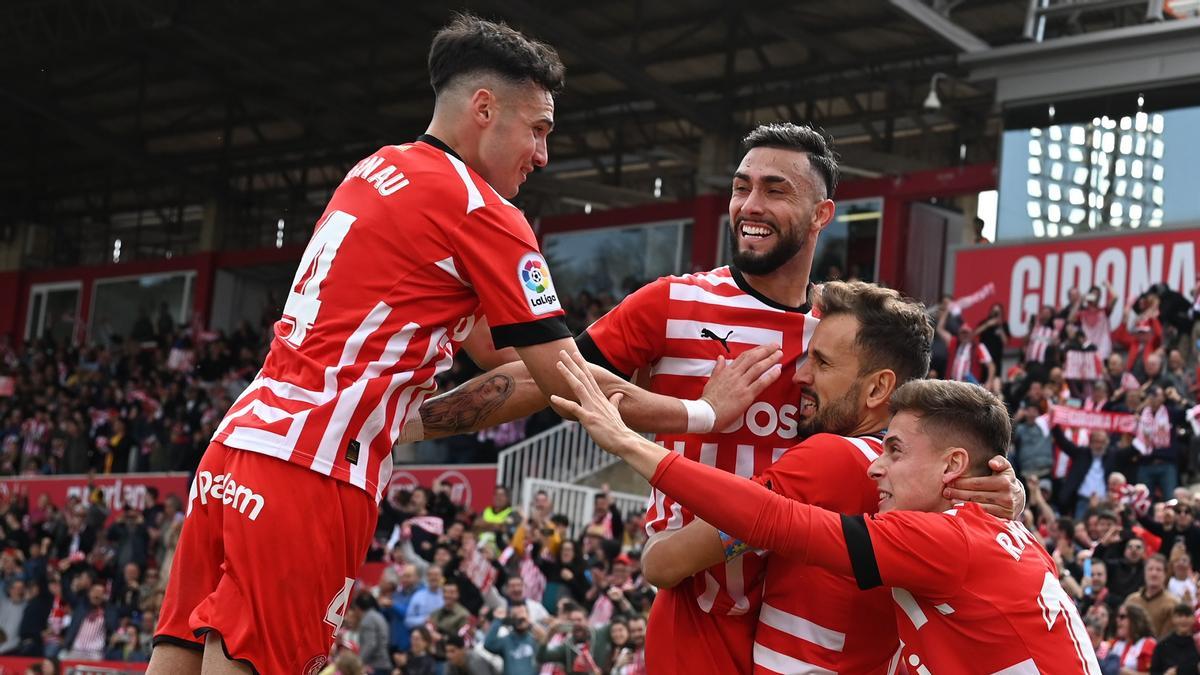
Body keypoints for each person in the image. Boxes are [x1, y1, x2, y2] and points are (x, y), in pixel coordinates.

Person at [148, 14, 742, 675]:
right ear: (485, 108)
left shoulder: (376, 170)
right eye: (538, 128)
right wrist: (699, 412)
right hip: (311, 474)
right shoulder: (481, 211)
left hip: (236, 449)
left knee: (176, 658)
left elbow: (502, 359)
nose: (544, 153)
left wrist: (572, 358)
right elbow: (564, 379)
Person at [412, 124, 1014, 674]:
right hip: (697, 601)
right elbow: (543, 377)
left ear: (822, 212)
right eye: (742, 187)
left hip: (812, 606)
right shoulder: (674, 302)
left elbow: (921, 435)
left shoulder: (842, 329)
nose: (751, 206)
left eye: (776, 190)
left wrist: (1000, 484)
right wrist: (407, 427)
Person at [554, 358, 1100, 672]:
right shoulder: (1003, 526)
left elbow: (766, 524)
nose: (801, 376)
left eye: (895, 451)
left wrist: (631, 445)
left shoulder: (939, 536)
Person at [634, 281, 1021, 672]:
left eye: (822, 363)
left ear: (878, 387)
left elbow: (664, 565)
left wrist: (694, 421)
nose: (800, 377)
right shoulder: (935, 481)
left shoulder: (831, 457)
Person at [1124, 554, 1181, 638]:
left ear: (1165, 574)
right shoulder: (1131, 601)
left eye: (1158, 570)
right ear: (1144, 573)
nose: (1154, 573)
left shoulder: (1173, 603)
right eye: (1150, 569)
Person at [1149, 603, 1199, 675]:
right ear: (1173, 619)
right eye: (1179, 616)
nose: (1183, 620)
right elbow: (1154, 671)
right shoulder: (1162, 645)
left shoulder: (1197, 644)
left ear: (1194, 619)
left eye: (1187, 615)